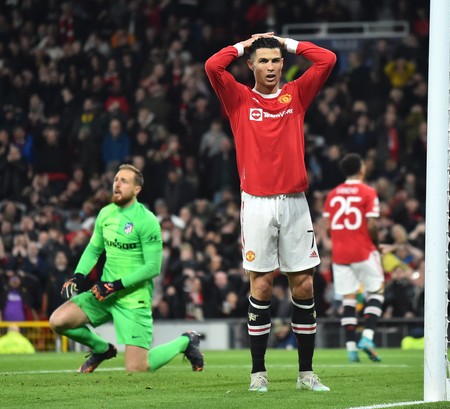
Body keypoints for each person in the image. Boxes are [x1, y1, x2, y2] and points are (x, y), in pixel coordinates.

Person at [205, 32, 336, 392]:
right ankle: (258, 374)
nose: (270, 67)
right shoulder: (238, 98)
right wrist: (243, 44)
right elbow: (212, 65)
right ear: (251, 65)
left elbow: (327, 59)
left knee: (305, 284)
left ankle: (306, 373)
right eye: (262, 60)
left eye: (275, 60)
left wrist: (287, 42)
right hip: (257, 203)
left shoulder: (296, 94)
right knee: (261, 286)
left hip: (295, 202)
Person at [49, 164, 204, 373]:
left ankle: (186, 341)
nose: (117, 185)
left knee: (138, 368)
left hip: (133, 298)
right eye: (115, 180)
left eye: (124, 181)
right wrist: (78, 276)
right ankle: (101, 349)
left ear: (136, 190)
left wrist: (115, 285)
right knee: (58, 321)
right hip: (104, 293)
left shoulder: (147, 220)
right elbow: (94, 249)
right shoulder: (106, 214)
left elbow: (152, 267)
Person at [322, 153, 385, 363]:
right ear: (361, 169)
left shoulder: (333, 194)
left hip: (340, 254)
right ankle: (367, 337)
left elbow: (329, 226)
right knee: (376, 291)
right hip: (363, 250)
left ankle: (351, 350)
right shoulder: (367, 191)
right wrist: (376, 245)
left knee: (348, 298)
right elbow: (372, 224)